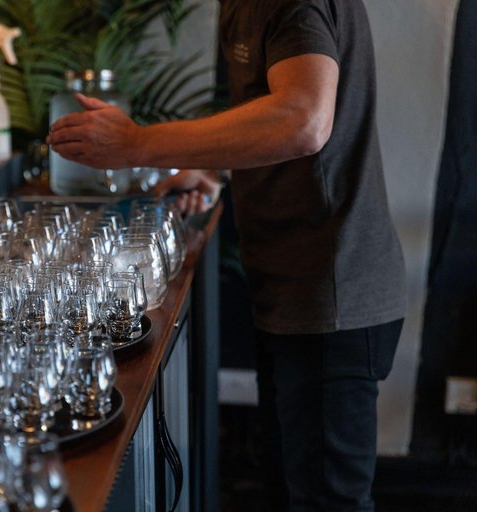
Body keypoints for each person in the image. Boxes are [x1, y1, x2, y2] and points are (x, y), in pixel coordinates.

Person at [47, 0, 407, 510]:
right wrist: (217, 172)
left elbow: (304, 118)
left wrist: (137, 144)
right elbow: (275, 116)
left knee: (329, 502)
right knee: (288, 491)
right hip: (293, 290)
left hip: (332, 294)